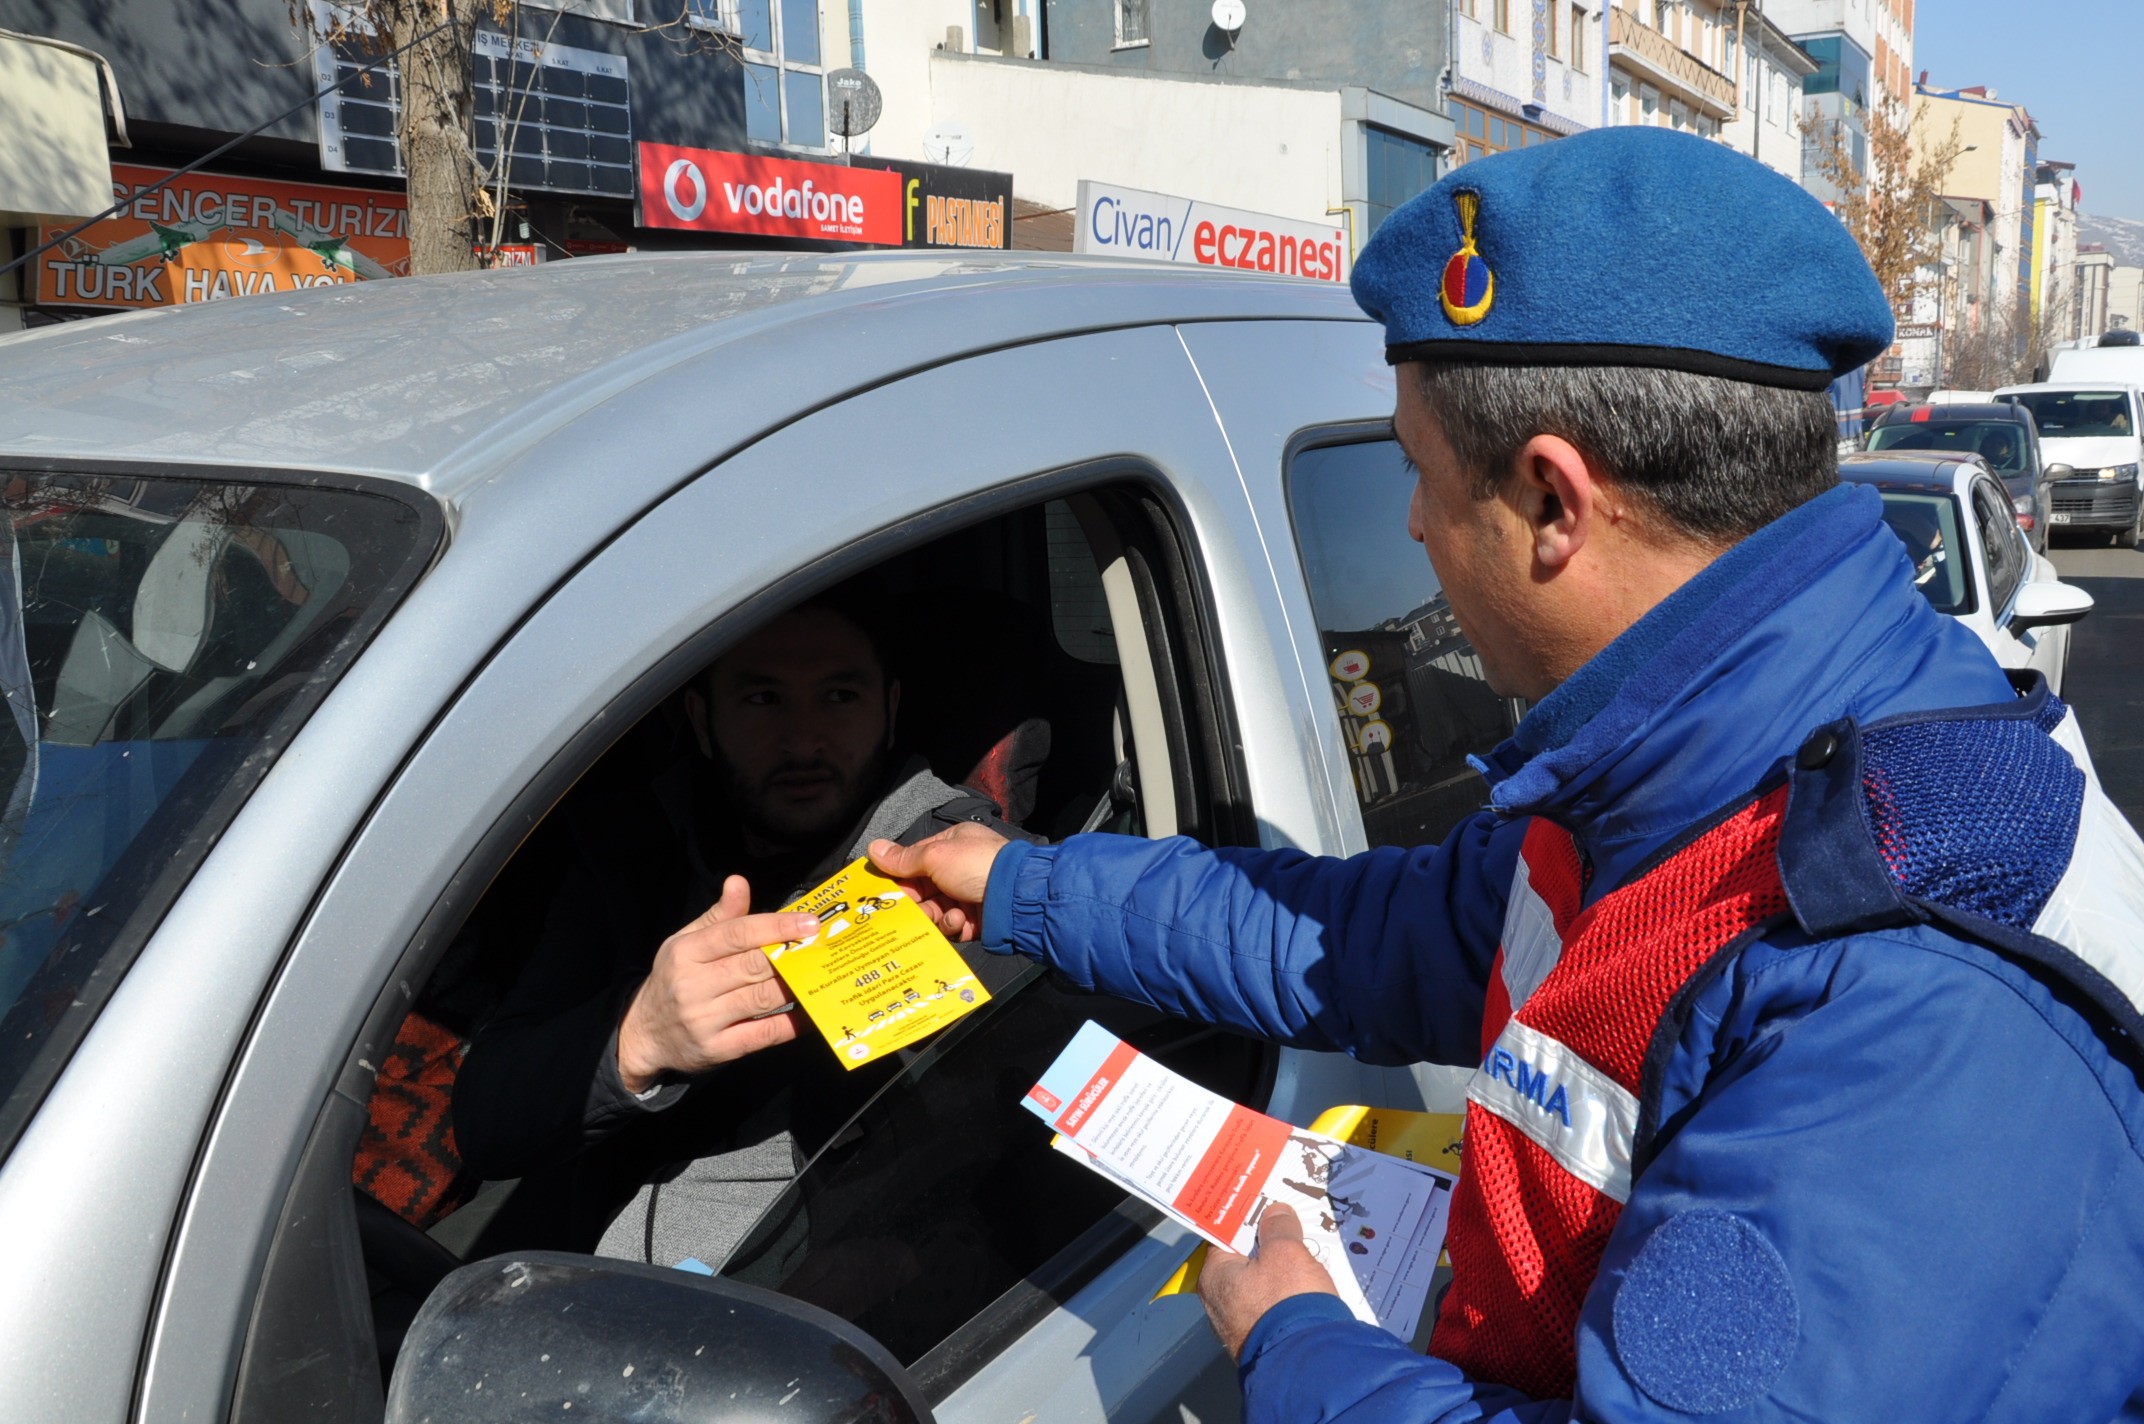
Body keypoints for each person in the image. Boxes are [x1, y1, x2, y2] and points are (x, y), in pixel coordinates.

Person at [874, 128, 2144, 1423]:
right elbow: (1368, 938)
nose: (1413, 526)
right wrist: (1028, 886)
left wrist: (1300, 1348)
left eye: (1418, 474)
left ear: (1554, 505)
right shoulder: (1674, 775)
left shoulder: (1901, 994)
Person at [451, 591, 1034, 1262]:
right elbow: (486, 1125)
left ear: (891, 708)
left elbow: (1033, 1121)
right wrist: (638, 1038)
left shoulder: (963, 874)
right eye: (763, 700)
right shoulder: (629, 852)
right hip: (594, 1269)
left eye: (840, 697)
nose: (805, 740)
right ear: (701, 719)